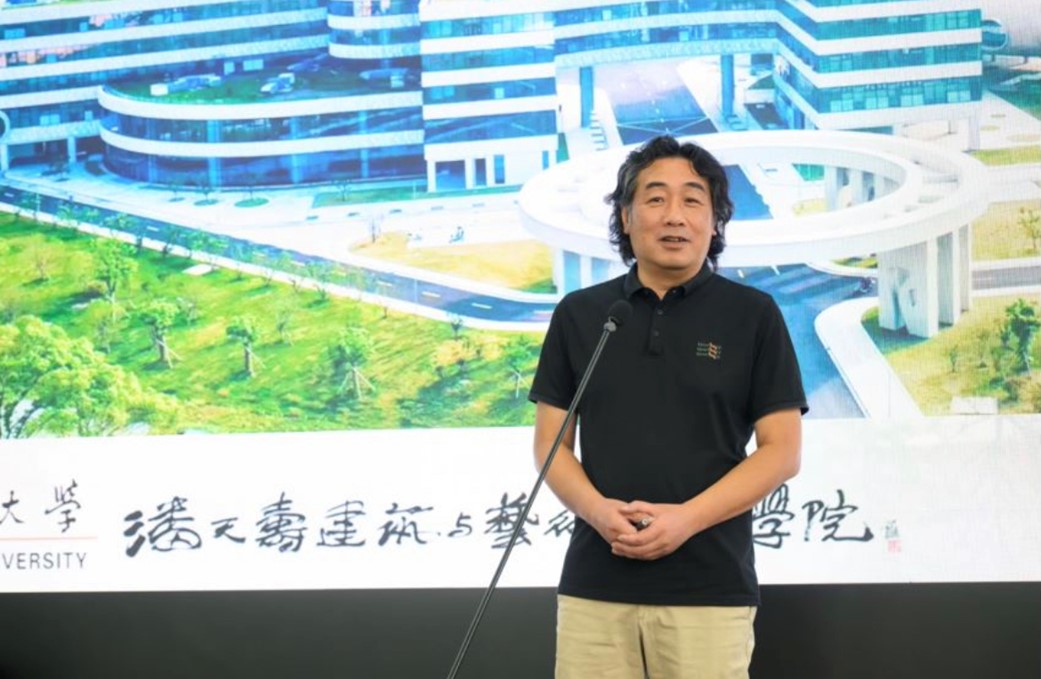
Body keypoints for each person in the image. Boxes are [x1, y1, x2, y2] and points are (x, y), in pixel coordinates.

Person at [529, 135, 807, 679]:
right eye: (655, 199)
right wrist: (598, 512)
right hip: (595, 587)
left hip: (709, 588)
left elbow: (782, 452)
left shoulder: (753, 315)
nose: (674, 215)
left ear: (715, 221)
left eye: (692, 200)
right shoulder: (583, 314)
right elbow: (550, 446)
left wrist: (685, 521)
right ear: (626, 217)